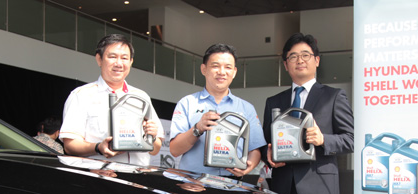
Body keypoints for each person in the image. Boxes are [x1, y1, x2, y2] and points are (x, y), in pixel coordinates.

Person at [262, 33, 354, 194]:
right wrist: (267, 155)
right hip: (282, 192)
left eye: (305, 55)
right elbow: (265, 142)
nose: (299, 60)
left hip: (319, 192)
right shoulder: (274, 101)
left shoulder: (334, 96)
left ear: (317, 60)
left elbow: (350, 140)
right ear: (286, 65)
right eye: (293, 57)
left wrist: (323, 140)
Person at [59, 34, 164, 165]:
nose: (119, 63)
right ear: (99, 59)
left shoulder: (141, 97)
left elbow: (155, 150)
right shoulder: (81, 95)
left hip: (137, 179)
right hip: (100, 178)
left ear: (131, 62)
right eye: (112, 57)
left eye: (124, 58)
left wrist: (152, 137)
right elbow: (70, 146)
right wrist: (98, 147)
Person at [169, 43, 266, 179]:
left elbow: (254, 149)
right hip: (194, 183)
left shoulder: (246, 108)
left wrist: (249, 166)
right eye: (215, 66)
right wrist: (197, 129)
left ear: (234, 72)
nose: (221, 72)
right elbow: (174, 150)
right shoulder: (187, 103)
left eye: (228, 67)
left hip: (232, 184)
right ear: (204, 69)